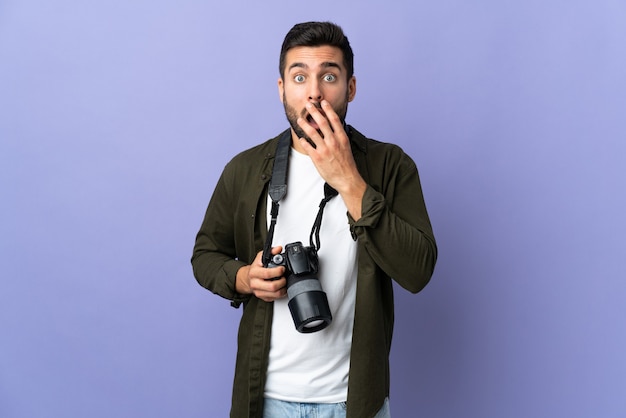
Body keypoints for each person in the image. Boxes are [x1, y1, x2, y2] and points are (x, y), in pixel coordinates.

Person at [191, 21, 437, 418]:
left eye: (329, 76)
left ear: (351, 88)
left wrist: (349, 181)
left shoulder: (391, 166)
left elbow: (419, 270)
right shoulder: (245, 169)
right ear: (281, 88)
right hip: (265, 398)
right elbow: (204, 255)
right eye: (300, 76)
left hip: (354, 401)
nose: (314, 91)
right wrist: (244, 278)